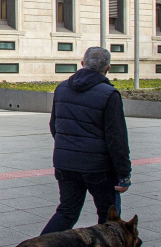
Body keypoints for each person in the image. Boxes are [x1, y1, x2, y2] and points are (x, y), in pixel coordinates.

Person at [41, 46, 132, 236]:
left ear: (82, 64)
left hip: (65, 164)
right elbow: (117, 139)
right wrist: (124, 175)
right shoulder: (109, 94)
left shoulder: (61, 89)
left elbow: (54, 126)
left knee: (67, 212)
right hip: (99, 168)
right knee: (109, 218)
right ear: (108, 68)